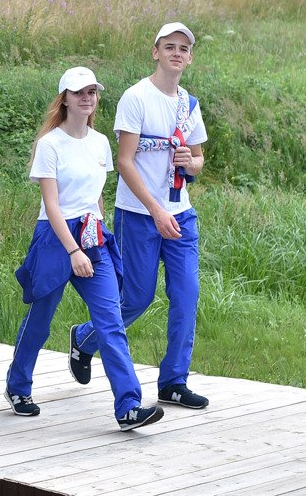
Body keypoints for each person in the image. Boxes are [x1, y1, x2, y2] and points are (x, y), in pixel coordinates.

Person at [6, 67, 165, 431]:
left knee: (111, 320)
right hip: (56, 236)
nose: (87, 98)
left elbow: (96, 198)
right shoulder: (50, 145)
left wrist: (93, 237)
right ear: (64, 98)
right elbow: (52, 205)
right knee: (41, 320)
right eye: (79, 92)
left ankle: (128, 405)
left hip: (93, 235)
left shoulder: (100, 143)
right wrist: (73, 251)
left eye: (92, 92)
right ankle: (17, 385)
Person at [69, 22, 209, 410]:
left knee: (186, 295)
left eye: (184, 48)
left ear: (190, 57)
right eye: (169, 47)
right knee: (136, 296)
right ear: (155, 52)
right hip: (139, 215)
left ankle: (174, 381)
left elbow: (198, 160)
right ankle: (84, 339)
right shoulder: (137, 97)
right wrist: (155, 210)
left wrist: (190, 162)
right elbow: (125, 162)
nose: (177, 53)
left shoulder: (189, 105)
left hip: (181, 214)